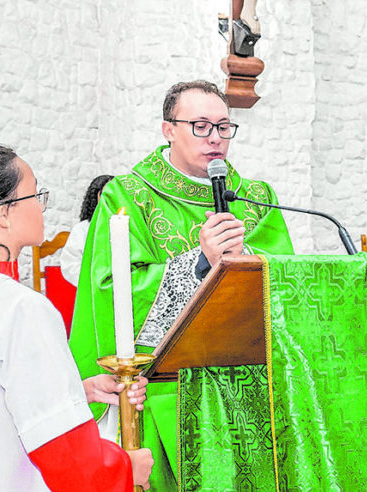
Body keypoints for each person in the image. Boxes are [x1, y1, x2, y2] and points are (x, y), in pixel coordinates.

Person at [68, 80, 294, 491]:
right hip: (167, 389)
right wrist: (199, 262)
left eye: (224, 127)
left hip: (246, 386)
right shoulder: (128, 196)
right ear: (168, 129)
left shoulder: (257, 197)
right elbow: (112, 289)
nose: (216, 139)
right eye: (201, 126)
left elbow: (284, 284)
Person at [0, 145, 154, 491]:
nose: (41, 205)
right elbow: (70, 462)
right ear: (3, 214)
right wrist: (127, 467)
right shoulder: (23, 308)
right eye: (35, 193)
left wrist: (79, 391)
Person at [60, 174, 114, 286]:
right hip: (93, 288)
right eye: (106, 195)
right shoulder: (82, 230)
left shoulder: (129, 227)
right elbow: (70, 264)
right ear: (95, 198)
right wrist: (97, 280)